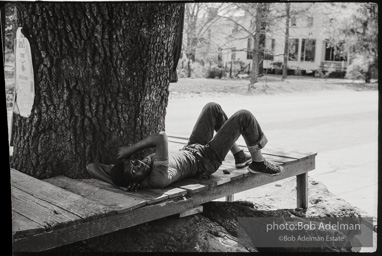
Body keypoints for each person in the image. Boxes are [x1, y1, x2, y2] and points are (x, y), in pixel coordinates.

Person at [86, 102, 283, 191]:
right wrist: (130, 150)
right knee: (244, 116)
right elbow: (161, 137)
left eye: (134, 162)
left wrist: (119, 184)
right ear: (135, 178)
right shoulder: (158, 176)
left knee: (212, 108)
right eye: (135, 170)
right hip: (207, 159)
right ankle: (258, 162)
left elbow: (91, 167)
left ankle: (239, 155)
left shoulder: (137, 179)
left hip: (193, 148)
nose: (138, 164)